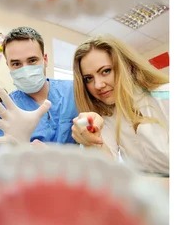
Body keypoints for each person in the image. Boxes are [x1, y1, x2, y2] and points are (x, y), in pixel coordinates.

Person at [71, 35, 169, 176]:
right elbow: (106, 171)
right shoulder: (108, 117)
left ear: (127, 66)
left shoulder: (167, 96)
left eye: (105, 71)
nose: (98, 85)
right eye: (88, 79)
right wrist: (90, 142)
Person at [0, 26, 78, 145]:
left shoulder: (73, 91)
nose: (25, 70)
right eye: (16, 63)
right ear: (8, 65)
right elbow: (2, 156)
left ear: (45, 59)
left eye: (32, 60)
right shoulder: (5, 111)